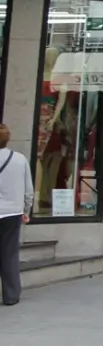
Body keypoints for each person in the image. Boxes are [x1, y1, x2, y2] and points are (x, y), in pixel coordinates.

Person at [0, 124, 34, 306]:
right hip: (13, 212)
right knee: (9, 254)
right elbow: (29, 190)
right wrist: (26, 211)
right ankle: (11, 295)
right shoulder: (19, 159)